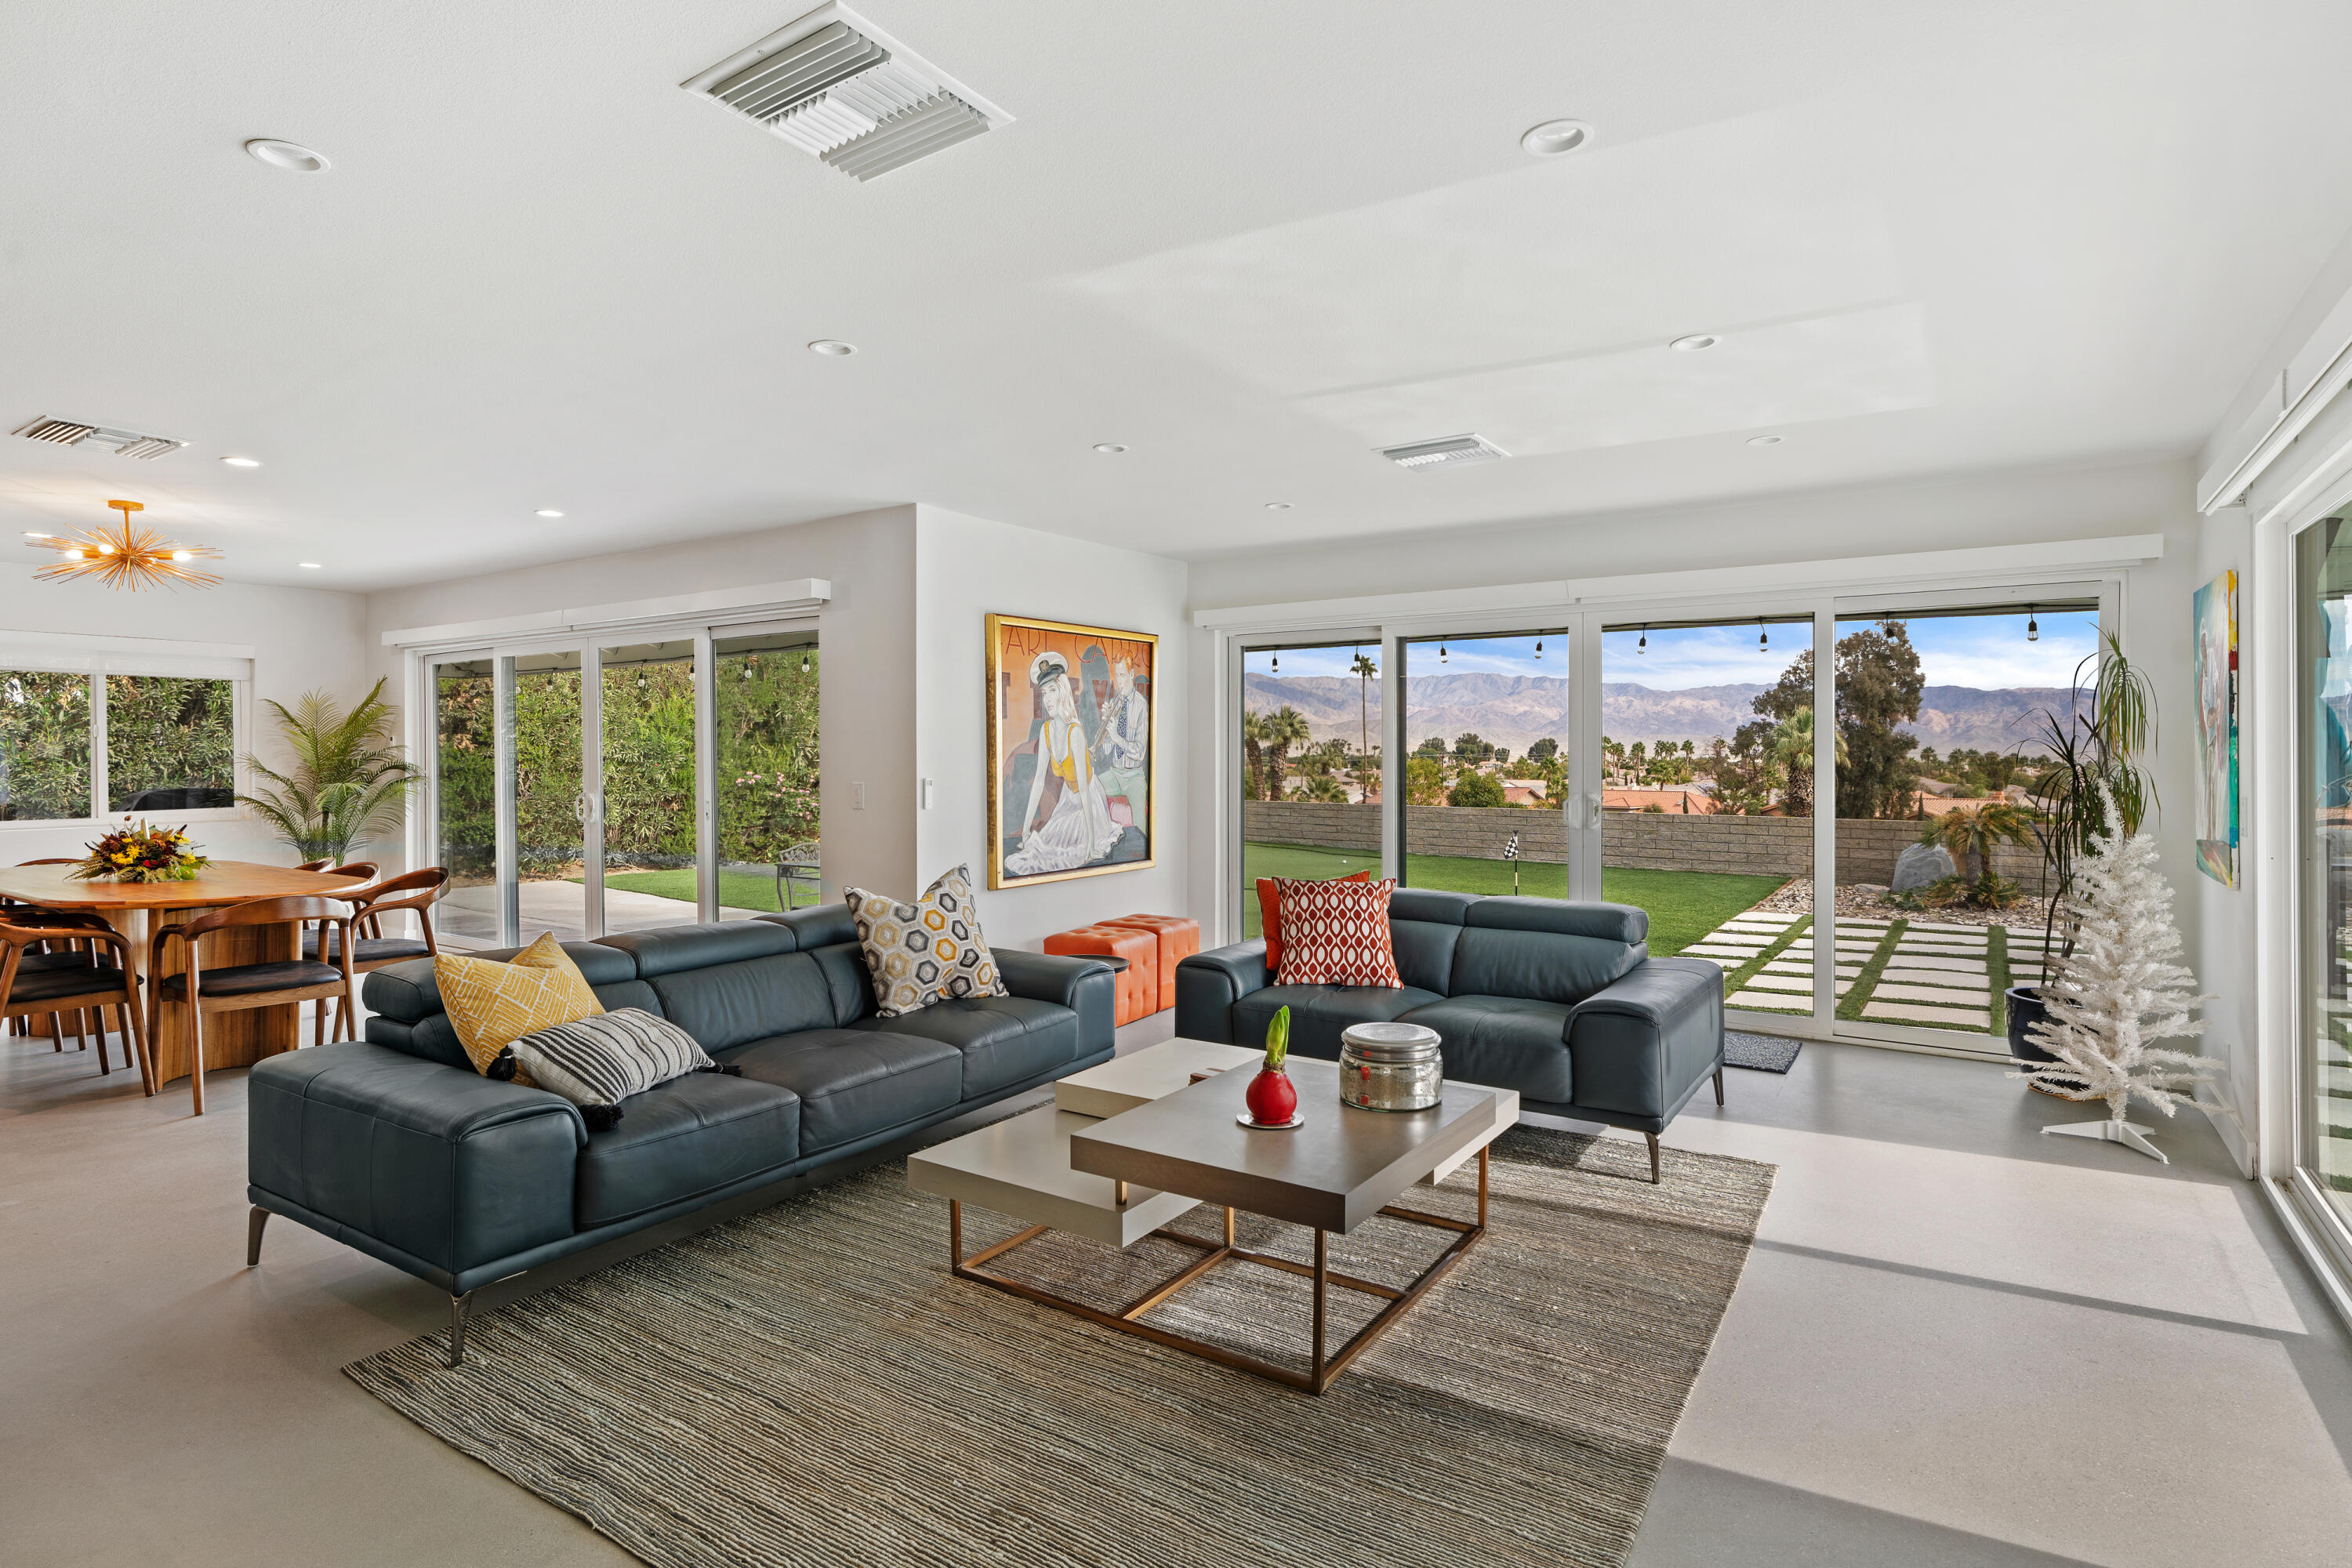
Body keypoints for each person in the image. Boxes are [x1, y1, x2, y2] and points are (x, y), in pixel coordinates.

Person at [1006, 652, 1119, 877]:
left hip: (1089, 801)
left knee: (1068, 852)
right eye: (1044, 692)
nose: (1048, 699)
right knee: (1043, 845)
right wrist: (1026, 829)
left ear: (1063, 691)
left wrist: (1092, 841)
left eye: (1053, 691)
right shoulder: (1046, 731)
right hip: (1069, 799)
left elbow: (1085, 791)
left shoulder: (1075, 733)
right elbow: (1038, 782)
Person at [1091, 655, 1149, 828]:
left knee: (1140, 817)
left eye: (1123, 675)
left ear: (1132, 675)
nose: (1119, 681)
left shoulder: (1141, 705)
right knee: (1091, 788)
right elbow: (1109, 750)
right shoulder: (1115, 702)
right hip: (1115, 773)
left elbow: (1139, 753)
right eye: (1117, 676)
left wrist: (1117, 737)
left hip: (1134, 776)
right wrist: (1107, 726)